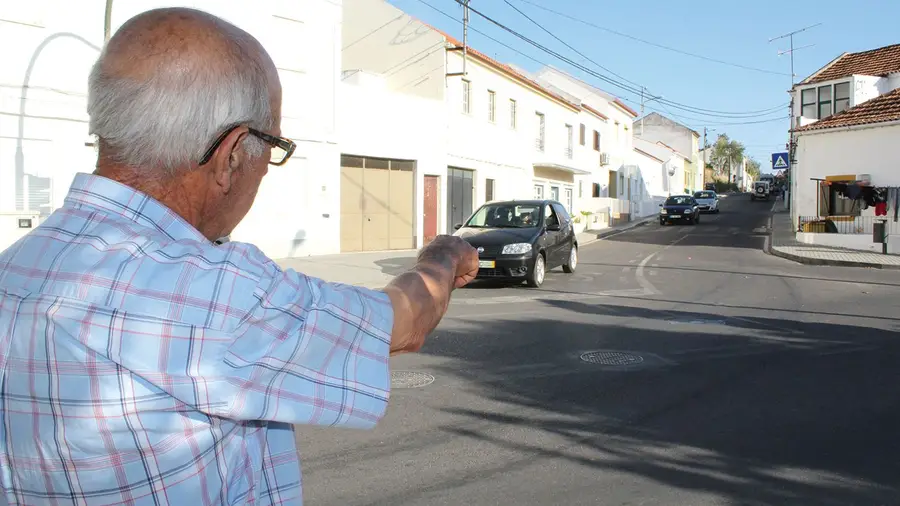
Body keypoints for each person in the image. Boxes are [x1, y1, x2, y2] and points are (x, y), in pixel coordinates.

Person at [0, 7, 477, 505]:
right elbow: (403, 322)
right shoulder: (212, 291)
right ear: (230, 154)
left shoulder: (15, 267)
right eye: (272, 146)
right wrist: (442, 256)